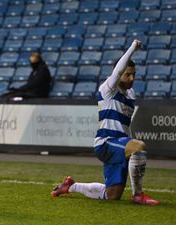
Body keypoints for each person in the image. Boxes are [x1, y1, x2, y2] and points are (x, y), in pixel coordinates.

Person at [51, 39, 159, 206]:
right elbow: (116, 72)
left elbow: (125, 125)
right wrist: (132, 48)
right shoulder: (108, 89)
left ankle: (71, 186)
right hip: (106, 143)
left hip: (120, 145)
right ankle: (138, 195)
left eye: (134, 74)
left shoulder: (130, 95)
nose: (131, 78)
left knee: (112, 195)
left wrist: (128, 147)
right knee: (139, 146)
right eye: (127, 74)